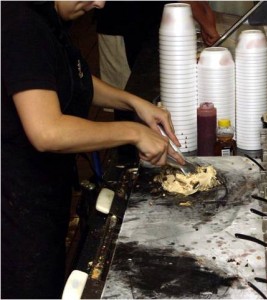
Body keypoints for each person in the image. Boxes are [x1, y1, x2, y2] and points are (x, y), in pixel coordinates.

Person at [1, 1, 185, 298]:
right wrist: (132, 131)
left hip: (43, 193)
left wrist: (132, 102)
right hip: (14, 209)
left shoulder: (47, 15)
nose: (100, 3)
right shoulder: (20, 24)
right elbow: (47, 131)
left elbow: (70, 77)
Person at [96, 1, 220, 163]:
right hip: (121, 21)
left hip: (151, 19)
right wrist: (205, 22)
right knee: (125, 95)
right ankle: (125, 165)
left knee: (137, 101)